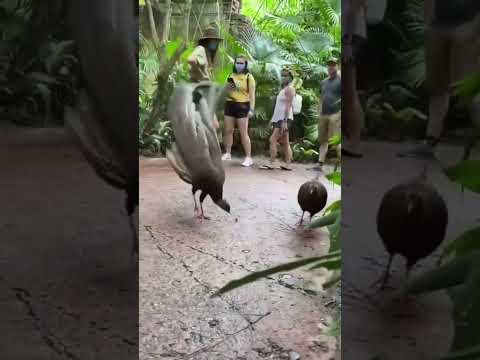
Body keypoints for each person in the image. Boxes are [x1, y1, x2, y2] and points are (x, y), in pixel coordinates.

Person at [398, 0, 480, 158]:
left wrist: (474, 28)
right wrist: (429, 22)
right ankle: (430, 143)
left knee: (467, 89)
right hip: (438, 25)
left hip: (468, 25)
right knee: (437, 88)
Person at [342, 0, 367, 158]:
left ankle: (355, 142)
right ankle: (354, 139)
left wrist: (347, 43)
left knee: (350, 92)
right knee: (348, 93)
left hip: (349, 36)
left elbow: (353, 8)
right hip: (354, 35)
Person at [221, 55, 256, 167]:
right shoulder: (231, 75)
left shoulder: (248, 77)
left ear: (245, 64)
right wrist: (227, 87)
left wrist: (251, 109)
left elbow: (252, 95)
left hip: (243, 105)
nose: (239, 65)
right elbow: (225, 91)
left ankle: (248, 157)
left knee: (243, 132)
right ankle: (227, 153)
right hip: (230, 103)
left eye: (241, 63)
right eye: (237, 63)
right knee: (228, 130)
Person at [187, 25, 223, 129]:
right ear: (206, 41)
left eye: (215, 41)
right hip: (199, 90)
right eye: (212, 40)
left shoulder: (207, 54)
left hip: (204, 91)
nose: (214, 43)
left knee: (209, 124)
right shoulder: (200, 49)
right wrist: (202, 76)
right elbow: (191, 59)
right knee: (212, 124)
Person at [261, 67, 296, 171]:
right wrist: (272, 120)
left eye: (286, 75)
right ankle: (288, 164)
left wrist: (285, 121)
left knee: (272, 140)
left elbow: (289, 106)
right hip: (279, 119)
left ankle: (272, 163)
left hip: (284, 119)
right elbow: (278, 107)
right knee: (285, 143)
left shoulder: (290, 89)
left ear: (290, 77)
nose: (283, 77)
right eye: (282, 75)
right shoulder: (283, 89)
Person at [315, 58, 341, 171]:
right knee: (323, 140)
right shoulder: (324, 82)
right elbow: (321, 98)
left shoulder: (340, 80)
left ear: (337, 66)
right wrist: (319, 111)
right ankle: (319, 164)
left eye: (333, 65)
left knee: (335, 141)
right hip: (323, 114)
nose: (331, 67)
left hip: (335, 114)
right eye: (329, 65)